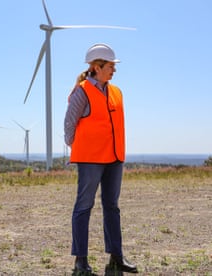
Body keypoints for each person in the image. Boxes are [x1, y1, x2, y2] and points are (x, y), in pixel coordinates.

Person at [64, 43, 138, 274]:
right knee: (84, 206)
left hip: (114, 156)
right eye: (110, 66)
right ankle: (81, 261)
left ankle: (116, 257)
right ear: (97, 67)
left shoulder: (116, 91)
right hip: (91, 158)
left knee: (112, 206)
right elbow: (69, 122)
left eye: (114, 66)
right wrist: (77, 145)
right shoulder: (82, 90)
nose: (114, 70)